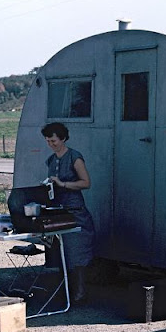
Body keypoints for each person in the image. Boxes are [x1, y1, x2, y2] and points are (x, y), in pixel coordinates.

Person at [41, 122, 95, 302]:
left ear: (63, 139)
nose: (51, 144)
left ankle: (80, 292)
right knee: (58, 252)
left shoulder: (74, 157)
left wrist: (63, 184)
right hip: (58, 211)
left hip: (74, 211)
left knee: (76, 252)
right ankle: (62, 290)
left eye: (54, 141)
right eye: (48, 141)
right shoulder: (51, 160)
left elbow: (86, 183)